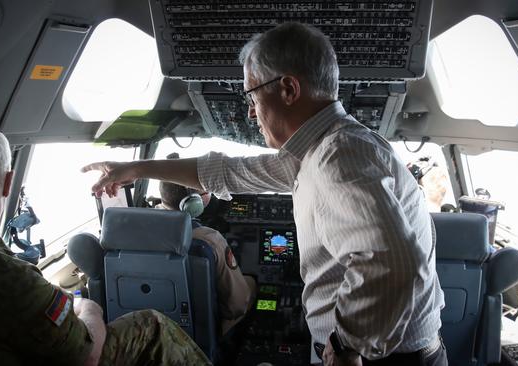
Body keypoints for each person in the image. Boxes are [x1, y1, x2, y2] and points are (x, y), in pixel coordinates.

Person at [83, 22, 446, 366]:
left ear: (288, 89)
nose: (251, 111)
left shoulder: (340, 156)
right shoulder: (317, 152)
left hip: (380, 357)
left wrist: (346, 344)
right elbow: (228, 172)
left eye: (252, 95)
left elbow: (390, 265)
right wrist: (139, 168)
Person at [0, 124, 211, 366]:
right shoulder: (9, 275)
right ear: (8, 182)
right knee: (152, 326)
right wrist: (89, 308)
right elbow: (86, 355)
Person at [157, 153, 255, 335]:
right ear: (193, 202)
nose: (210, 193)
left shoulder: (132, 231)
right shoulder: (208, 239)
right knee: (250, 285)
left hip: (153, 327)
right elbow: (238, 305)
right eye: (206, 189)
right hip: (198, 334)